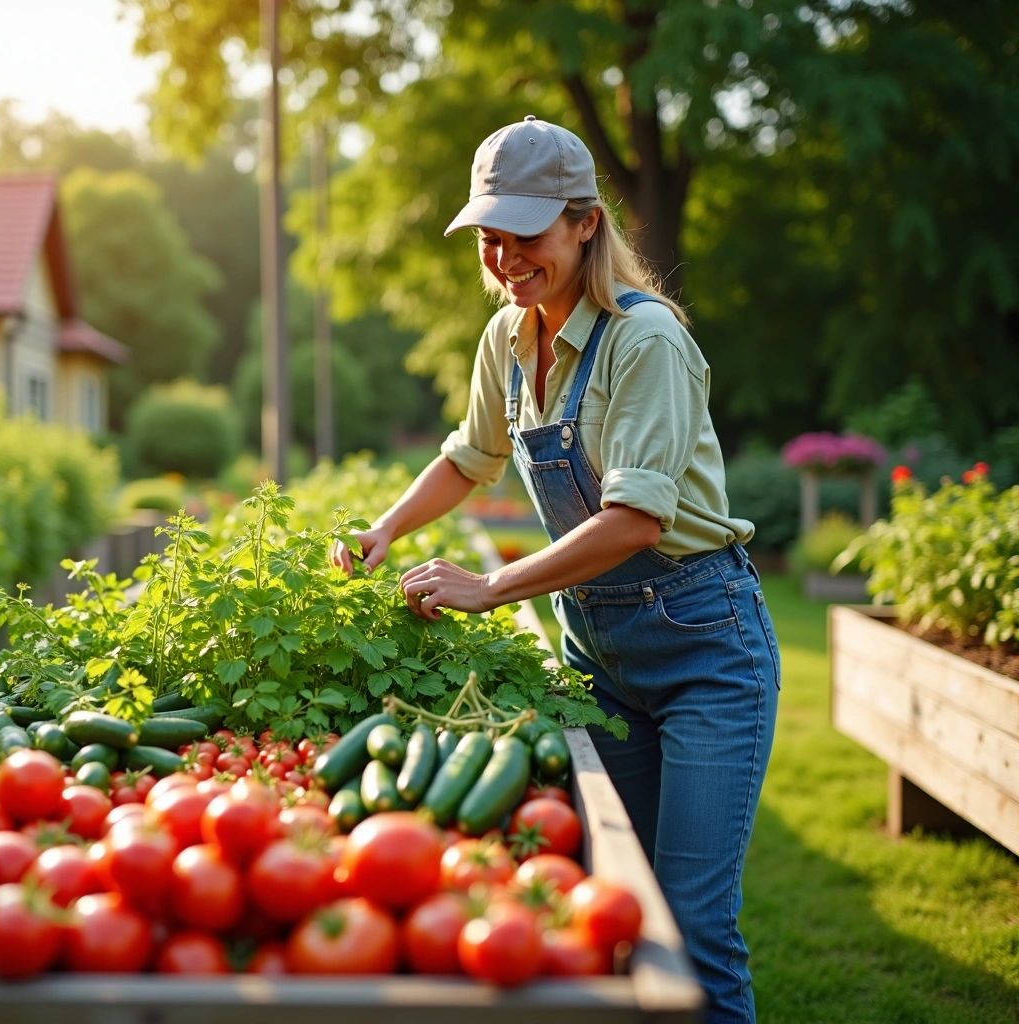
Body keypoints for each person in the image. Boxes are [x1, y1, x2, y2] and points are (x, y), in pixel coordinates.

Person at [329, 116, 779, 1024]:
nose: (505, 257)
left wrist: (489, 587)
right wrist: (382, 530)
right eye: (490, 237)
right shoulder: (506, 338)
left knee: (692, 927)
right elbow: (468, 457)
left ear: (584, 223)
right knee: (618, 900)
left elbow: (636, 520)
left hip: (704, 648)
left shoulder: (642, 340)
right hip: (597, 654)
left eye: (525, 234)